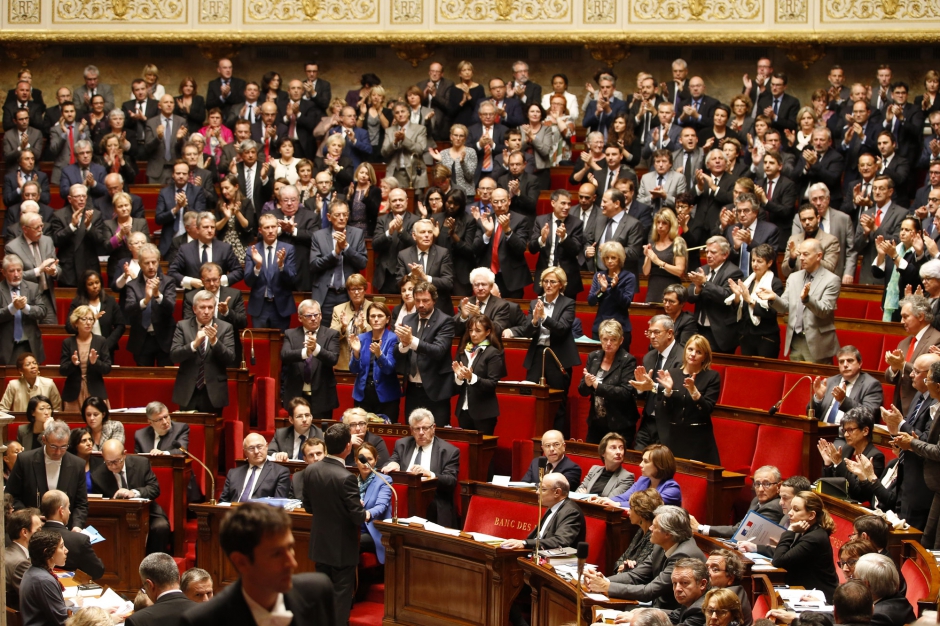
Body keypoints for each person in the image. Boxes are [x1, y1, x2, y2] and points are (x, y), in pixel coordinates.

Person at [180, 502, 335, 626]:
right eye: (276, 554)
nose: (292, 563)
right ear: (241, 562)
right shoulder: (202, 621)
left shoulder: (318, 592)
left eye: (290, 548)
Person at [302, 423, 367, 626]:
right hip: (342, 549)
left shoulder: (310, 470)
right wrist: (362, 510)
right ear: (348, 446)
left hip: (320, 545)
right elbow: (358, 518)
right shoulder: (347, 478)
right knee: (340, 597)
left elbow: (308, 507)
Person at [583, 505, 705, 608]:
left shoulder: (683, 555)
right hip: (656, 606)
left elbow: (649, 591)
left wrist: (606, 586)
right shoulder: (661, 545)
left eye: (654, 526)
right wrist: (603, 580)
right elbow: (636, 575)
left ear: (667, 534)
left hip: (675, 614)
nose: (650, 528)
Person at [510, 267, 580, 432]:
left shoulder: (568, 303)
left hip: (557, 356)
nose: (548, 285)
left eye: (552, 282)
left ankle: (558, 438)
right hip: (537, 355)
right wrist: (534, 321)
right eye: (545, 281)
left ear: (561, 285)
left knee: (557, 402)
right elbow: (527, 332)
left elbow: (562, 328)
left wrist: (544, 317)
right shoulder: (535, 303)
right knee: (531, 396)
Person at [638, 335, 721, 465]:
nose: (693, 354)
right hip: (674, 437)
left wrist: (694, 392)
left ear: (705, 356)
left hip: (698, 440)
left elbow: (707, 410)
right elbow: (663, 409)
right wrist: (668, 391)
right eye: (690, 349)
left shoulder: (712, 376)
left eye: (698, 352)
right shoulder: (672, 373)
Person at [761, 239, 840, 364]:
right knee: (795, 375)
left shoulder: (832, 280)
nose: (801, 258)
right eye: (800, 254)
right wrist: (774, 298)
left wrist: (807, 299)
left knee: (815, 376)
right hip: (796, 340)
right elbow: (785, 307)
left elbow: (824, 310)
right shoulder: (794, 277)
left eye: (806, 254)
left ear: (819, 256)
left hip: (817, 342)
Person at [381, 408, 461, 527]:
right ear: (411, 430)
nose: (421, 432)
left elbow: (451, 481)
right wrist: (393, 464)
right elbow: (390, 462)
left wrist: (430, 474)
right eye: (417, 429)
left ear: (433, 428)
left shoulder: (449, 451)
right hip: (403, 500)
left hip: (434, 502)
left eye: (425, 428)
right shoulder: (402, 445)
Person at [394, 281, 456, 426]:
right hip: (412, 389)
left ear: (434, 300)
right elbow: (399, 353)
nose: (421, 304)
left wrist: (411, 340)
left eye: (425, 300)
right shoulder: (408, 319)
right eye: (417, 300)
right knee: (413, 430)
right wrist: (404, 344)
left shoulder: (445, 321)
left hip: (436, 389)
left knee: (437, 431)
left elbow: (438, 351)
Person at [92, 439, 169, 555]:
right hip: (117, 516)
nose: (113, 466)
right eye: (108, 463)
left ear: (124, 454)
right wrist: (114, 501)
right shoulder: (98, 475)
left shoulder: (141, 463)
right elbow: (102, 504)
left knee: (161, 527)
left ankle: (153, 562)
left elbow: (154, 489)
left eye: (116, 461)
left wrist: (134, 493)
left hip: (147, 511)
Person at [9, 420, 88, 529]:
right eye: (53, 446)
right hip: (31, 528)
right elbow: (11, 497)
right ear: (44, 440)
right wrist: (30, 517)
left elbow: (81, 504)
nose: (58, 452)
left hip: (64, 529)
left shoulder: (77, 465)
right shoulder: (25, 460)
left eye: (63, 447)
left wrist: (77, 526)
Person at [170, 290, 236, 414]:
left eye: (210, 307)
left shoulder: (225, 327)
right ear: (194, 309)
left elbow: (230, 358)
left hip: (214, 391)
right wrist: (194, 344)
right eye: (202, 307)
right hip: (188, 390)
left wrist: (215, 342)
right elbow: (174, 356)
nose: (206, 311)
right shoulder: (182, 326)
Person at [579, 320, 640, 445]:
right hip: (596, 423)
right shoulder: (593, 357)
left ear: (621, 340)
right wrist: (587, 384)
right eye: (605, 339)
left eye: (613, 340)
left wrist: (598, 386)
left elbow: (625, 392)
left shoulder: (628, 360)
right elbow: (582, 391)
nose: (608, 343)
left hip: (620, 424)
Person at [772, 490, 839, 602]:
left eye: (796, 509)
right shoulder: (807, 530)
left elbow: (778, 560)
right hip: (804, 590)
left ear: (811, 515)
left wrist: (790, 530)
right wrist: (756, 548)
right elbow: (787, 553)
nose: (790, 513)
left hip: (819, 597)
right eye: (791, 508)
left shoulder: (814, 537)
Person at [310, 199, 368, 323]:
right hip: (326, 295)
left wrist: (346, 247)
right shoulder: (318, 236)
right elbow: (314, 265)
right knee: (324, 330)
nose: (342, 218)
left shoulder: (357, 234)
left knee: (348, 329)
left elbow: (362, 263)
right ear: (329, 217)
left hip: (348, 294)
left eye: (345, 214)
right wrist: (335, 253)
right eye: (337, 215)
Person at [280, 299, 340, 417]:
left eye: (316, 315)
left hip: (323, 397)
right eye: (308, 316)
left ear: (321, 316)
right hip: (296, 395)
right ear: (300, 318)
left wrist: (316, 349)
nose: (313, 318)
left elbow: (333, 358)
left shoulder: (331, 334)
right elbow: (285, 355)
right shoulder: (290, 334)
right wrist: (305, 353)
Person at [726, 243, 784, 358]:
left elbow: (771, 312)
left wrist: (749, 300)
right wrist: (737, 296)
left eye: (759, 261)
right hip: (746, 335)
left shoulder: (775, 283)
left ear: (769, 263)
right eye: (753, 260)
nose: (755, 264)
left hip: (766, 338)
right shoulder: (747, 280)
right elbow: (737, 309)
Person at [685, 237, 743, 354]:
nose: (708, 255)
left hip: (719, 332)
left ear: (725, 254)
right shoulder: (701, 270)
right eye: (707, 251)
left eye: (713, 252)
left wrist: (705, 283)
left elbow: (726, 297)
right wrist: (698, 288)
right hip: (699, 328)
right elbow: (690, 297)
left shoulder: (734, 272)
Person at [885, 295, 940, 416]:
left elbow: (931, 377)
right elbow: (890, 378)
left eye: (905, 317)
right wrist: (894, 368)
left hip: (922, 410)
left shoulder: (937, 339)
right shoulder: (904, 343)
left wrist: (903, 365)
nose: (902, 322)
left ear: (920, 316)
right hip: (900, 407)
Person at [693, 466, 783, 538]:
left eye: (766, 484)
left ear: (778, 487)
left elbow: (742, 531)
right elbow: (742, 526)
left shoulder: (774, 507)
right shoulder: (756, 500)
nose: (760, 489)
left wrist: (701, 528)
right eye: (757, 484)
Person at [500, 473, 586, 549]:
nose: (537, 492)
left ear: (557, 492)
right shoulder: (552, 507)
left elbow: (560, 541)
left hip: (555, 559)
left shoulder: (571, 512)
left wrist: (525, 543)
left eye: (543, 489)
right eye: (538, 488)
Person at [453, 314, 506, 435]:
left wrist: (471, 377)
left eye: (478, 331)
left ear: (488, 332)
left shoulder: (493, 353)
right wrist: (459, 378)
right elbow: (456, 386)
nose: (473, 334)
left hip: (484, 413)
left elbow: (492, 384)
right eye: (470, 330)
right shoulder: (464, 351)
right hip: (463, 410)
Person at [125, 244, 177, 366]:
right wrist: (146, 300)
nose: (151, 266)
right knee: (143, 375)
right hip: (142, 340)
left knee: (165, 375)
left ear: (158, 261)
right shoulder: (132, 285)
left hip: (164, 339)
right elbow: (129, 310)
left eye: (154, 262)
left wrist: (157, 295)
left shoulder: (168, 282)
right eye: (146, 263)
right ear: (139, 264)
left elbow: (170, 308)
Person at [819, 407, 886, 502]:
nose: (846, 435)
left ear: (865, 431)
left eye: (850, 430)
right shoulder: (847, 448)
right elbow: (832, 483)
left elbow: (859, 494)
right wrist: (828, 464)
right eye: (844, 430)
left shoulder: (875, 456)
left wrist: (839, 463)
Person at [244, 213, 297, 332]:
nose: (271, 231)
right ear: (260, 230)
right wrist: (258, 266)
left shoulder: (288, 249)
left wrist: (281, 265)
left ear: (278, 228)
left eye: (273, 227)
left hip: (281, 307)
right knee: (260, 341)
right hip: (260, 307)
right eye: (267, 227)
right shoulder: (252, 250)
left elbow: (292, 280)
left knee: (280, 342)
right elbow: (248, 282)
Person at [810, 345, 884, 423]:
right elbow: (810, 414)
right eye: (841, 362)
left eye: (850, 361)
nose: (845, 365)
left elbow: (868, 415)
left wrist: (843, 400)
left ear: (860, 363)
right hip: (822, 428)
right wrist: (818, 398)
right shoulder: (829, 382)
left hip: (846, 430)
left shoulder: (871, 385)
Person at [40, 490, 103, 579]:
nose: (69, 512)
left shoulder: (34, 535)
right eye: (68, 507)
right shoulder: (79, 540)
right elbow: (97, 571)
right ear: (61, 511)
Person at [60, 307, 112, 413]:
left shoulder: (101, 341)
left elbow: (107, 368)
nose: (88, 323)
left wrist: (95, 362)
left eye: (91, 319)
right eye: (84, 319)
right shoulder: (68, 342)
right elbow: (63, 370)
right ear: (76, 322)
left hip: (95, 390)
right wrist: (72, 363)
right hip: (73, 393)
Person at [601, 444, 682, 509]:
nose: (640, 465)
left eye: (646, 461)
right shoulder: (643, 480)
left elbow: (646, 505)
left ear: (659, 465)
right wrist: (604, 500)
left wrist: (618, 504)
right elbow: (624, 497)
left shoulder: (672, 489)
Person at [0, 254, 46, 366]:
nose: (16, 274)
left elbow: (42, 311)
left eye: (19, 270)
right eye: (12, 271)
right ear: (4, 272)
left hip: (29, 344)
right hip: (6, 345)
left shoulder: (32, 287)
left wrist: (25, 307)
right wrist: (12, 308)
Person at [66, 270, 125, 358]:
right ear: (84, 286)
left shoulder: (110, 301)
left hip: (107, 350)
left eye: (97, 282)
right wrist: (92, 319)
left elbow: (120, 326)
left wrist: (106, 345)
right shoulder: (77, 303)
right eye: (90, 284)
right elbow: (69, 327)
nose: (95, 286)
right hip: (83, 349)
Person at [125, 553, 194, 626]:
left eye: (144, 587)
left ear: (150, 585)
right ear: (179, 579)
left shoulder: (137, 621)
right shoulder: (201, 614)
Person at [219, 433, 291, 503]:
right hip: (234, 510)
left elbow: (278, 504)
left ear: (266, 446)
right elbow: (223, 502)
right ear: (245, 452)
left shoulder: (280, 472)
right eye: (251, 448)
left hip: (261, 511)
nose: (256, 451)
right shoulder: (233, 473)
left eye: (259, 447)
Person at [19, 529, 69, 626]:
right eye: (61, 546)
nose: (66, 550)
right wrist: (89, 612)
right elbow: (63, 620)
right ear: (47, 553)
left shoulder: (34, 572)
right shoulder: (43, 580)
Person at [355, 442, 392, 564]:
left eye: (369, 459)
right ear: (356, 461)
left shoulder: (384, 480)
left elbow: (381, 506)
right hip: (354, 528)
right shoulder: (352, 482)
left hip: (374, 532)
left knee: (350, 542)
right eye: (362, 459)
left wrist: (367, 514)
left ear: (375, 461)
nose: (365, 463)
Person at [855, 553, 916, 626]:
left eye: (855, 579)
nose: (853, 583)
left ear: (866, 584)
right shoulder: (899, 599)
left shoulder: (878, 617)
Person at [611, 488, 664, 572]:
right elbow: (621, 559)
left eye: (631, 508)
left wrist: (625, 567)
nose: (628, 512)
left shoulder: (653, 536)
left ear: (640, 513)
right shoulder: (640, 531)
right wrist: (621, 566)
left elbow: (640, 569)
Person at [643, 208, 688, 304]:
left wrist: (659, 262)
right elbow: (646, 272)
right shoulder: (653, 242)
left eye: (664, 223)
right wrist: (648, 256)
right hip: (653, 288)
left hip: (671, 289)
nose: (660, 226)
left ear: (671, 225)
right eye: (658, 222)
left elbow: (680, 271)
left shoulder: (678, 242)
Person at [576, 433, 636, 498]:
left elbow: (610, 500)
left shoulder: (627, 477)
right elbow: (578, 492)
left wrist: (586, 496)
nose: (619, 452)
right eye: (613, 448)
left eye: (621, 448)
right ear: (603, 452)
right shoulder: (594, 470)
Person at [5, 507, 41, 607]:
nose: (41, 534)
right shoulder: (21, 563)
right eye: (38, 530)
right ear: (24, 532)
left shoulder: (7, 551)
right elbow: (37, 598)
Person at [268, 397, 324, 462]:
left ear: (311, 417)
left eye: (307, 415)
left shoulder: (320, 435)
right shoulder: (281, 434)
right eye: (299, 416)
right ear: (291, 420)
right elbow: (269, 452)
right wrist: (277, 455)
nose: (304, 419)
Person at [67, 428, 94, 493]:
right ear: (75, 445)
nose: (89, 443)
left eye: (90, 440)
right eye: (84, 441)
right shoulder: (68, 464)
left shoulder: (99, 463)